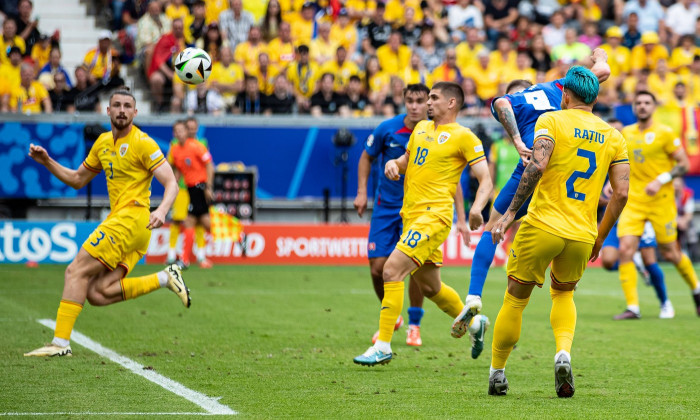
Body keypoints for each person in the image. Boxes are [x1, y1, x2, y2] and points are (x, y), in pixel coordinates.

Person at [487, 66, 630, 397]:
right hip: (582, 233)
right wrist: (600, 235)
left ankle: (498, 371)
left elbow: (536, 165)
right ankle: (563, 352)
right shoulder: (614, 136)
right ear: (594, 96)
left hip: (542, 225)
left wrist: (509, 214)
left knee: (515, 297)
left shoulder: (551, 120)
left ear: (565, 94)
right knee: (564, 293)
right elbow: (621, 194)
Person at [453, 48, 611, 347]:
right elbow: (600, 73)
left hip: (528, 168)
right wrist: (599, 56)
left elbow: (500, 102)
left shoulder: (516, 99)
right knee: (562, 284)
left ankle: (474, 296)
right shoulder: (557, 87)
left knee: (492, 229)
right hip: (562, 174)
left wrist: (515, 140)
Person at [24, 88, 189, 357]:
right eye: (117, 105)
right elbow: (78, 179)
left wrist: (162, 210)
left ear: (135, 113)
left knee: (75, 271)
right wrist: (47, 162)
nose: (122, 110)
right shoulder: (102, 143)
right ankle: (165, 278)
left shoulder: (143, 143)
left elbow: (172, 182)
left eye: (127, 106)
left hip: (131, 219)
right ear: (108, 110)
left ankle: (60, 343)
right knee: (98, 293)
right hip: (134, 231)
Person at [353, 81, 493, 366]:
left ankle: (382, 345)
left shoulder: (464, 137)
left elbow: (485, 180)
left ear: (451, 103)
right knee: (430, 288)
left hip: (434, 217)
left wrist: (477, 208)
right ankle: (476, 324)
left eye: (434, 98)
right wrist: (394, 165)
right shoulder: (420, 130)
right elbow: (406, 160)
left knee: (390, 271)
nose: (428, 103)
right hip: (412, 216)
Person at [353, 83, 431, 347]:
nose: (415, 106)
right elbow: (366, 158)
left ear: (428, 102)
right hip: (386, 208)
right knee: (377, 269)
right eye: (410, 100)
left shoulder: (436, 132)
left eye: (420, 101)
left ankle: (414, 326)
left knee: (416, 271)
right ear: (403, 101)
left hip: (419, 209)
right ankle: (391, 313)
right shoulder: (387, 128)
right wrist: (362, 192)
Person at [615, 90, 700, 319]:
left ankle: (696, 288)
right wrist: (612, 183)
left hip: (661, 200)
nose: (642, 106)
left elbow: (682, 164)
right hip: (634, 201)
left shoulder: (665, 133)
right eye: (638, 102)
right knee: (625, 250)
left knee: (671, 252)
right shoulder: (626, 133)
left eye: (646, 103)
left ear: (654, 107)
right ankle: (633, 307)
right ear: (633, 107)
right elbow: (620, 163)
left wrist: (661, 179)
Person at [598, 119, 672, 318]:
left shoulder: (635, 154)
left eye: (619, 130)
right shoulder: (604, 154)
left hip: (639, 211)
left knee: (649, 259)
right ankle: (633, 264)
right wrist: (606, 197)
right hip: (617, 218)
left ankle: (665, 303)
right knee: (607, 260)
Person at [168, 120, 215, 268]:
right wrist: (173, 186)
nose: (179, 133)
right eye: (177, 131)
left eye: (182, 130)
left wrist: (208, 187)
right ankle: (238, 236)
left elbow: (210, 165)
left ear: (186, 132)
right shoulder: (175, 150)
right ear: (174, 134)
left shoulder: (196, 146)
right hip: (190, 189)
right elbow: (178, 171)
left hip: (200, 188)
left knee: (191, 221)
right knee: (203, 222)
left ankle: (185, 259)